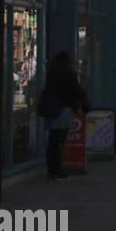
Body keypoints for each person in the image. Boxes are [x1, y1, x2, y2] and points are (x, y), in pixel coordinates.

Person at [38, 51, 91, 181]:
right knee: (60, 142)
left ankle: (52, 170)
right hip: (63, 110)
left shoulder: (51, 75)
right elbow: (77, 91)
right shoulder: (69, 75)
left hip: (52, 110)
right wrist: (86, 104)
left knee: (53, 142)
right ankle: (59, 170)